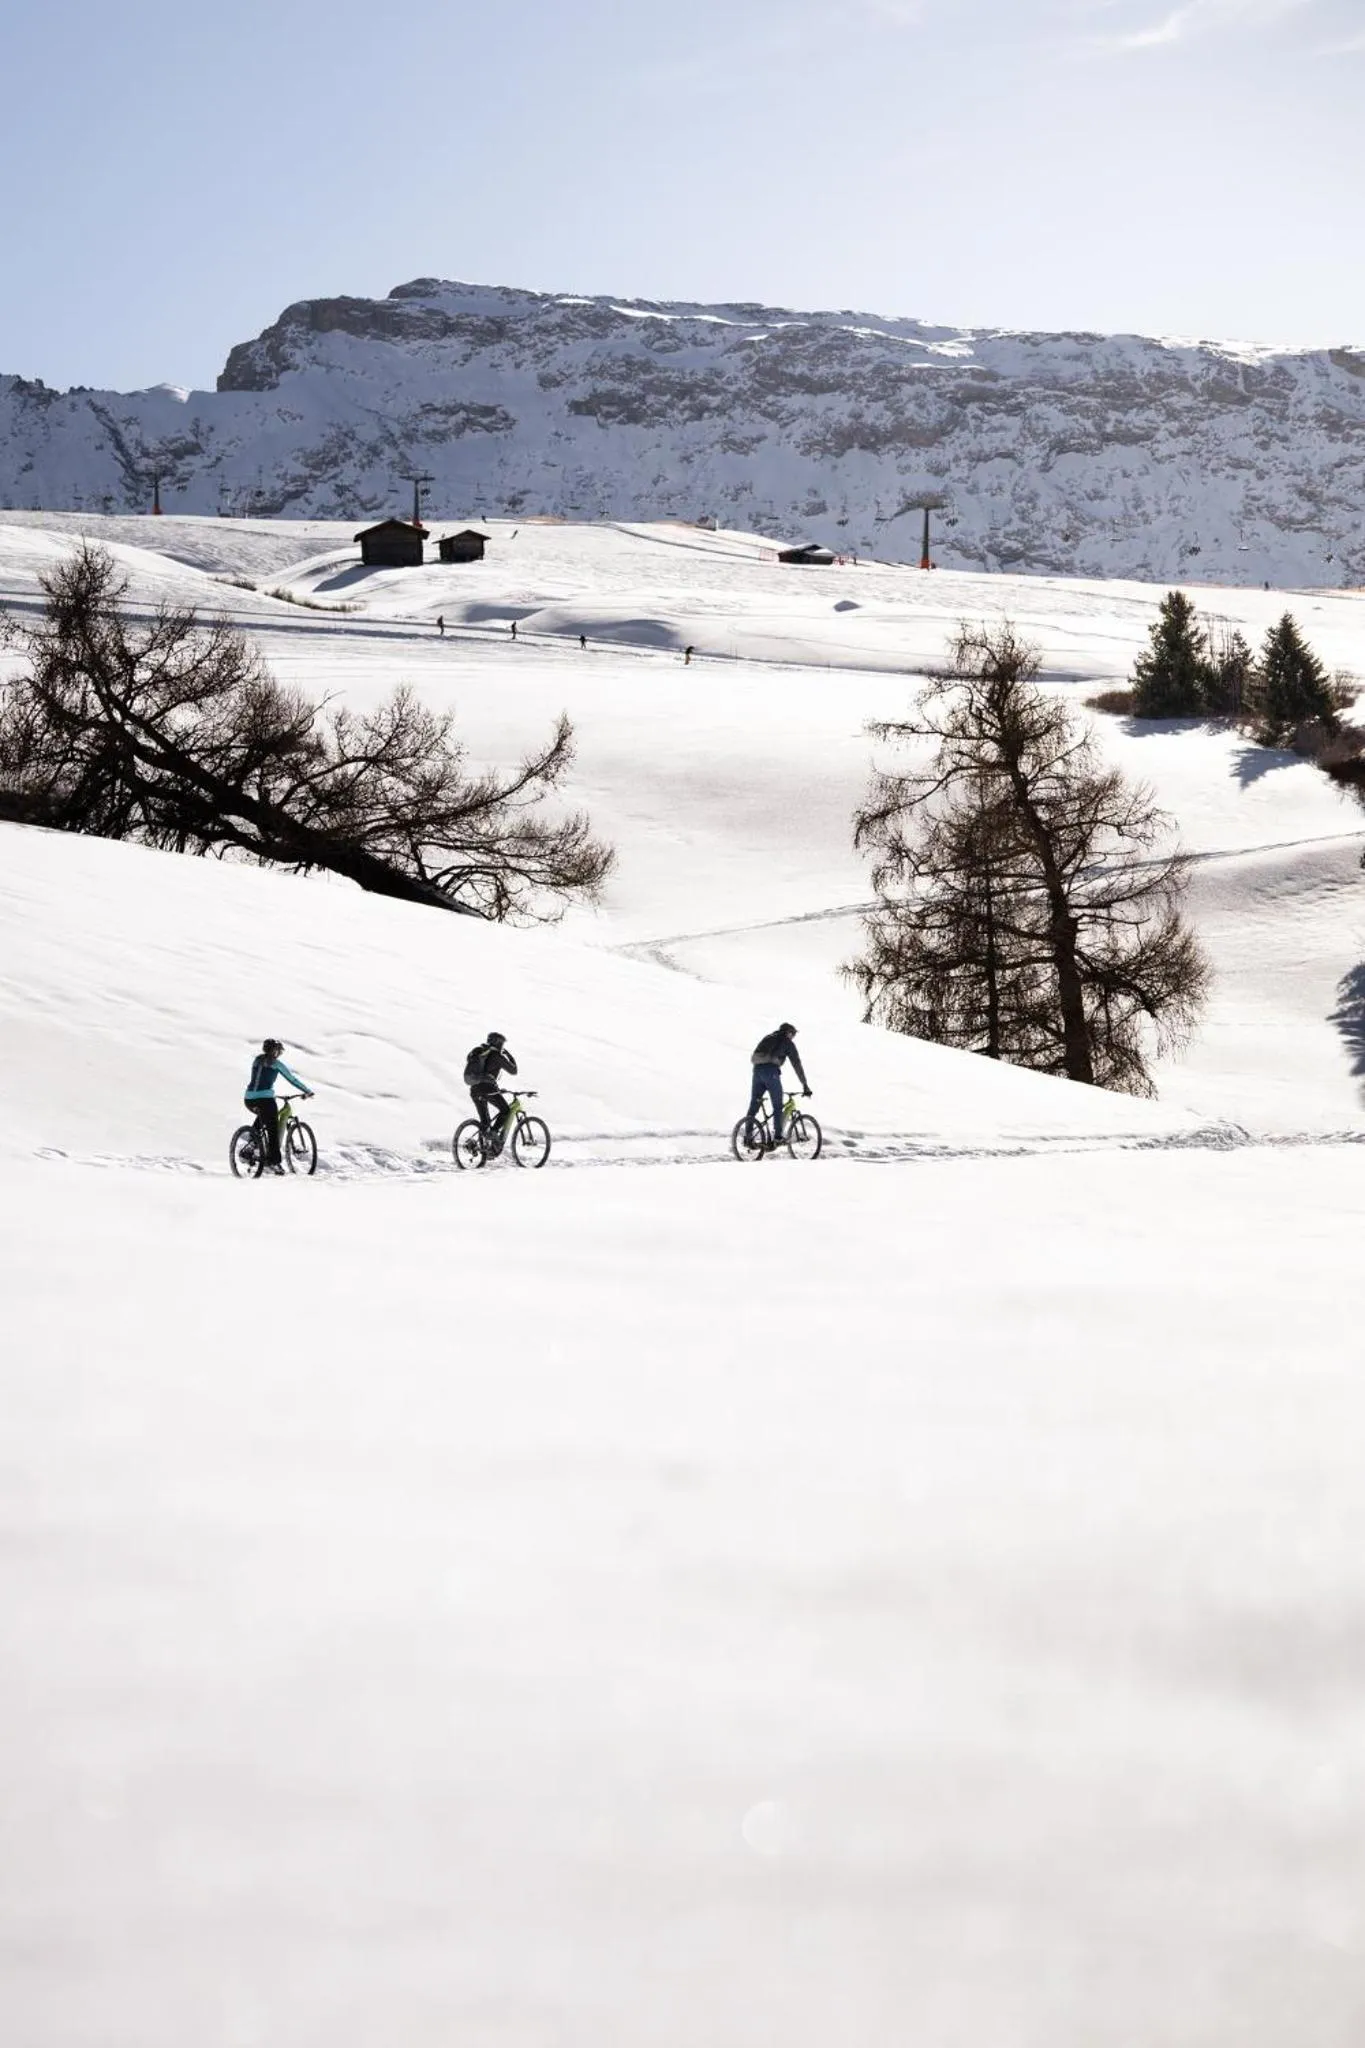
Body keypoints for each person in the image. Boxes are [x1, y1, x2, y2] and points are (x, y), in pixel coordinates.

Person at [244, 1038, 313, 1174]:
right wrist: (307, 1091)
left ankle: (251, 1144)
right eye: (278, 1051)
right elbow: (292, 1079)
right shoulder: (276, 1064)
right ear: (275, 1051)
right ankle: (274, 1162)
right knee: (273, 1128)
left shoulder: (257, 1060)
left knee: (264, 1116)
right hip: (266, 1100)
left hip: (249, 1099)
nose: (279, 1054)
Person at [747, 1022, 810, 1149]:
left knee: (754, 1104)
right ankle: (778, 1137)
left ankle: (748, 1137)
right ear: (788, 1032)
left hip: (757, 1071)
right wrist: (805, 1085)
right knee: (777, 1104)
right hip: (771, 1073)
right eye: (793, 1034)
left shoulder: (768, 1037)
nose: (793, 1037)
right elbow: (796, 1064)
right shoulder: (787, 1043)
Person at [464, 1030, 519, 1151]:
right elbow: (514, 1071)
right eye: (502, 1044)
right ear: (499, 1043)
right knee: (506, 1110)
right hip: (487, 1089)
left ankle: (481, 1148)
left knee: (485, 1122)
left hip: (474, 1090)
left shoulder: (481, 1053)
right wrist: (510, 1056)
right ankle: (494, 1134)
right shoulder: (496, 1056)